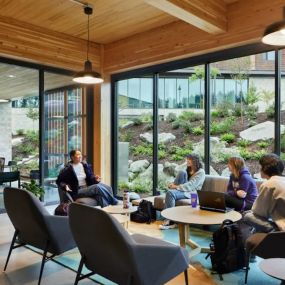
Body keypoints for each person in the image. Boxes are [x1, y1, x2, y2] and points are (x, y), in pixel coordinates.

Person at [159, 153, 205, 230]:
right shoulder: (189, 169)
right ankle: (171, 192)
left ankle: (170, 221)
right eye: (187, 159)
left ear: (195, 161)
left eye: (189, 159)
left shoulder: (201, 172)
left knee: (170, 193)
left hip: (193, 194)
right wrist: (173, 184)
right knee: (182, 172)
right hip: (184, 190)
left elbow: (191, 185)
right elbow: (182, 181)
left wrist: (175, 186)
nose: (187, 161)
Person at [243, 153, 285, 233]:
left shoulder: (270, 184)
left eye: (260, 167)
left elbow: (259, 212)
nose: (260, 169)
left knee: (248, 216)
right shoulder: (282, 180)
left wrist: (251, 211)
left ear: (265, 168)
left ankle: (274, 232)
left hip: (282, 228)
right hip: (279, 218)